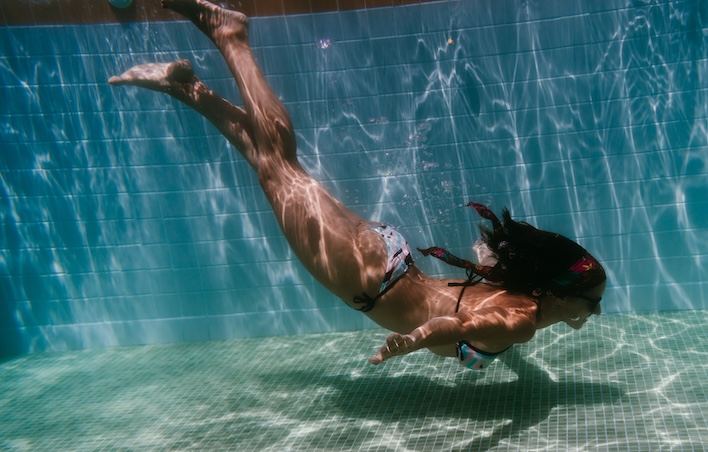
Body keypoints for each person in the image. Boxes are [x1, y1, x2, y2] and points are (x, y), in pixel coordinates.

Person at [109, 0, 607, 369]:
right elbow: (460, 326)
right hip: (367, 279)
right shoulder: (521, 321)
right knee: (280, 168)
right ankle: (230, 37)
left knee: (275, 167)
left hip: (388, 256)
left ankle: (189, 89)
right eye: (593, 303)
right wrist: (412, 341)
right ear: (562, 295)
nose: (597, 312)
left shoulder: (514, 288)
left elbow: (473, 297)